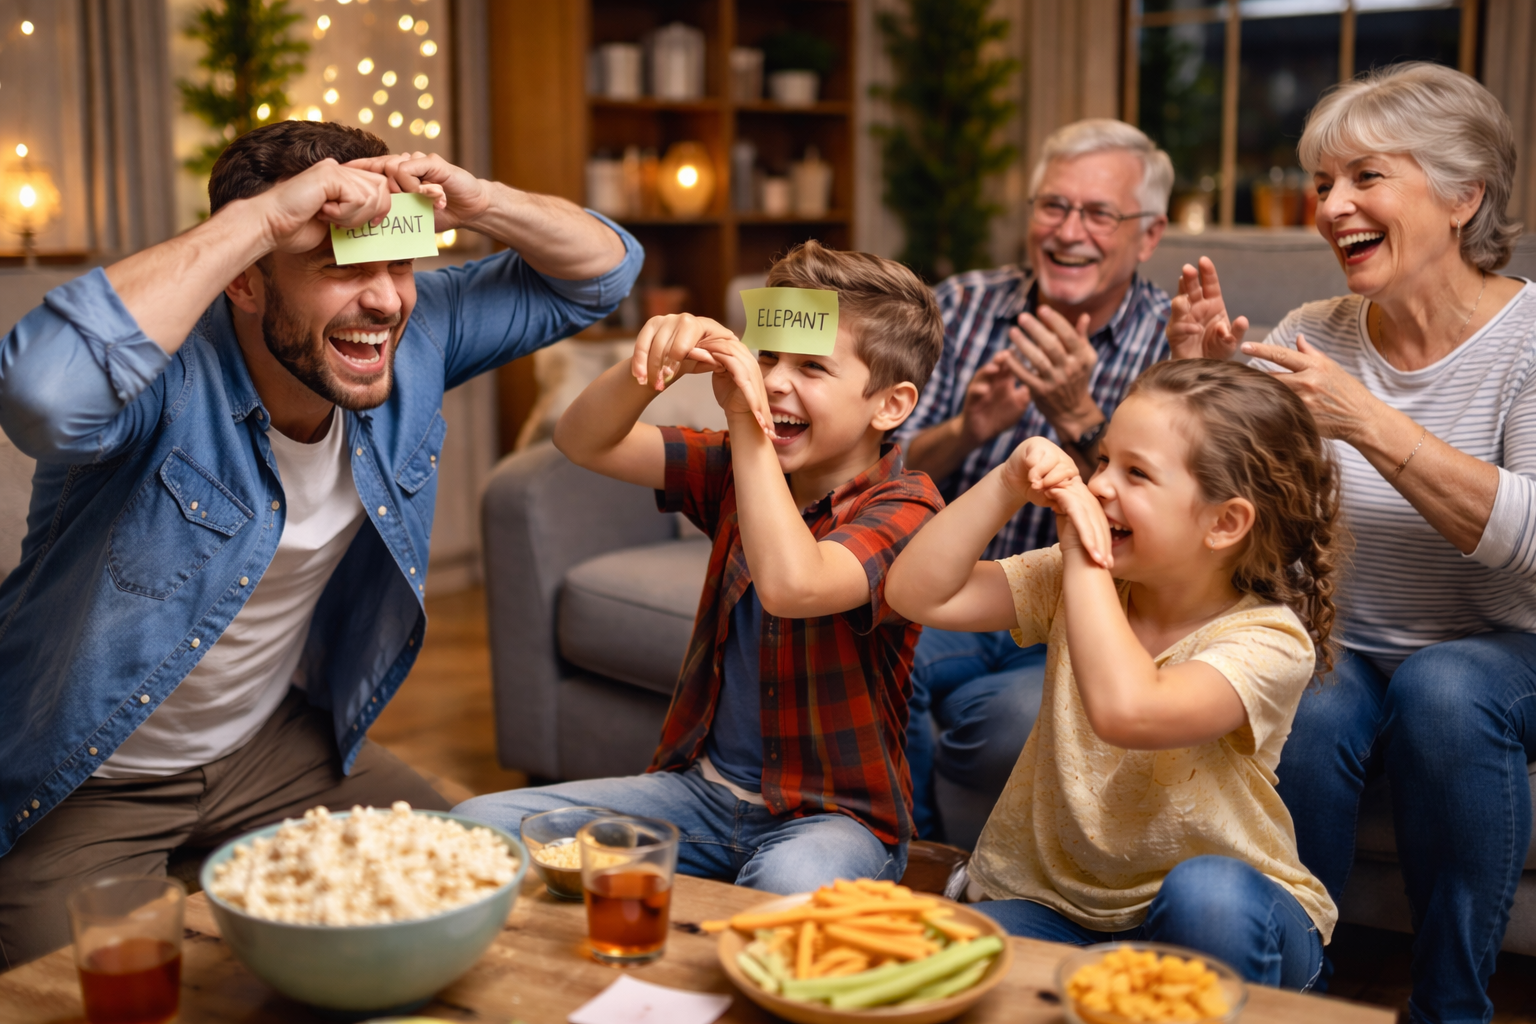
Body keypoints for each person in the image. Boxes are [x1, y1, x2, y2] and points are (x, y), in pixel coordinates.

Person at [0, 120, 642, 966]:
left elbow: (604, 275)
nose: (383, 299)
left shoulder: (415, 339)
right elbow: (42, 396)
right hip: (89, 783)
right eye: (341, 265)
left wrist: (479, 200)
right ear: (245, 284)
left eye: (398, 262)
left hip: (271, 753)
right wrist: (261, 222)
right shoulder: (164, 377)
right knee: (90, 990)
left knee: (481, 883)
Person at [1168, 62, 1535, 1023]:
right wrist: (1201, 393)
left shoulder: (1531, 341)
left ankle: (1452, 1005)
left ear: (1464, 196)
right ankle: (1306, 994)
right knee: (1310, 690)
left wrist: (1371, 422)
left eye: (1365, 178)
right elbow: (1227, 528)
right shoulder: (1312, 333)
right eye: (1322, 184)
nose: (1331, 207)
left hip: (1510, 653)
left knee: (1445, 689)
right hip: (1353, 642)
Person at [457, 242, 945, 891]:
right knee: (474, 825)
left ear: (890, 404)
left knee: (780, 890)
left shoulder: (908, 507)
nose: (772, 381)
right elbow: (582, 440)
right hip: (699, 800)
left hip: (836, 820)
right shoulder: (732, 465)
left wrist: (745, 420)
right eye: (764, 356)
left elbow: (794, 584)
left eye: (811, 367)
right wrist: (649, 367)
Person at [886, 359, 1343, 989]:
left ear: (1225, 523)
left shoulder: (1268, 641)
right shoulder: (1083, 583)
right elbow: (916, 595)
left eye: (1137, 473)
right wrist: (1005, 483)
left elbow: (1129, 710)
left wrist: (1082, 558)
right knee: (963, 956)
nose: (1098, 486)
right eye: (1103, 461)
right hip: (1060, 910)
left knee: (1206, 894)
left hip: (1226, 918)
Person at [894, 120, 1174, 840]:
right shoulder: (960, 305)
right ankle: (913, 860)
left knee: (1009, 719)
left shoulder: (1173, 343)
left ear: (1148, 237)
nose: (1068, 230)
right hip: (963, 588)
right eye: (1053, 206)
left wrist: (1081, 418)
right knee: (871, 642)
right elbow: (882, 471)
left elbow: (1168, 526)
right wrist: (969, 430)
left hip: (1080, 612)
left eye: (1098, 213)